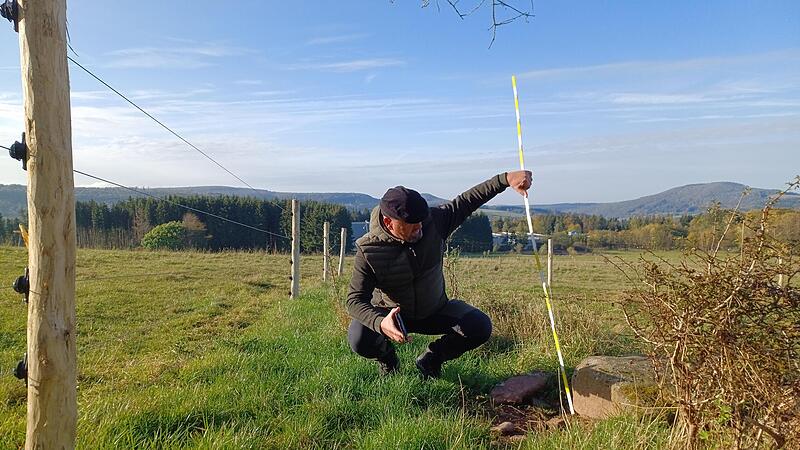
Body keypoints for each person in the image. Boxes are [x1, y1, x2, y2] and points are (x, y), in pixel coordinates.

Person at [346, 170, 532, 378]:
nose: (420, 229)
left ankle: (431, 359)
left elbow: (468, 200)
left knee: (479, 326)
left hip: (434, 310)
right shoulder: (368, 249)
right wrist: (380, 323)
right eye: (412, 225)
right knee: (359, 337)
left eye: (421, 221)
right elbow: (355, 300)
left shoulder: (433, 222)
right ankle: (388, 360)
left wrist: (505, 179)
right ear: (389, 223)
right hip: (393, 316)